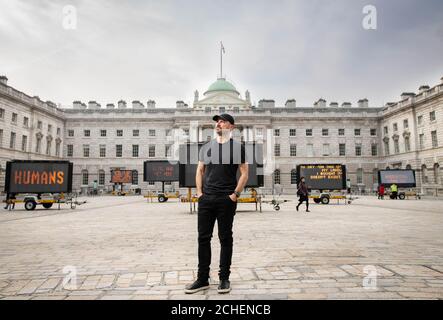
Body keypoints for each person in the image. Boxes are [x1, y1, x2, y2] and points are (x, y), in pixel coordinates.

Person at [185, 113, 248, 295]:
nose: (218, 124)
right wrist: (199, 193)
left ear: (231, 127)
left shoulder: (238, 148)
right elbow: (199, 170)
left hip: (226, 200)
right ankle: (203, 278)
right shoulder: (206, 147)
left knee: (225, 239)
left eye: (223, 121)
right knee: (203, 239)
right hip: (206, 199)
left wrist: (235, 194)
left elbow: (244, 173)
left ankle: (224, 278)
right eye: (217, 122)